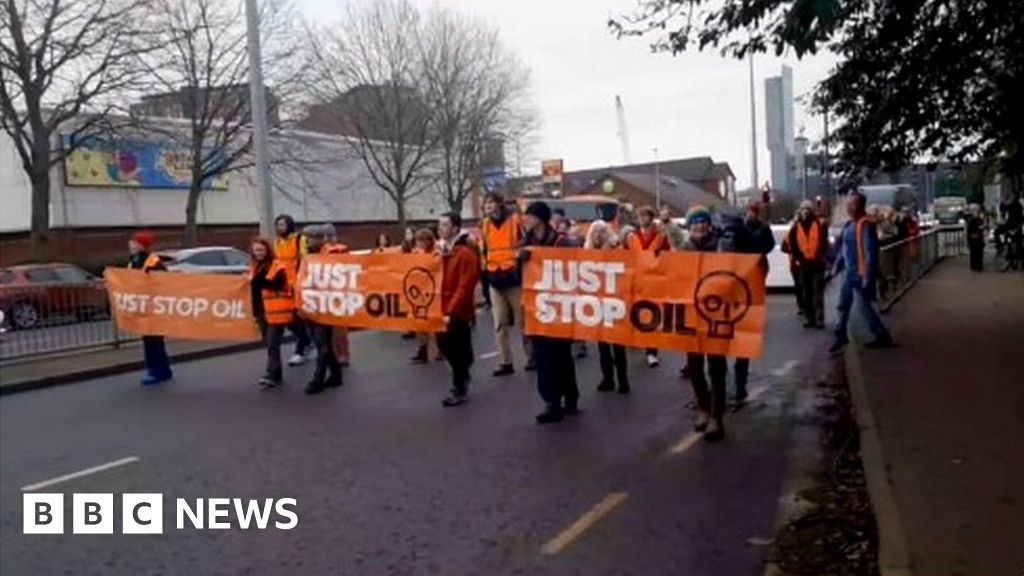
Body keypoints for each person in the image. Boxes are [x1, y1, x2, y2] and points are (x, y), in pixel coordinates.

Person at [520, 201, 579, 424]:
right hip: (538, 307)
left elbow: (572, 270)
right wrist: (521, 261)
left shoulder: (560, 241)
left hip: (559, 305)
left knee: (561, 354)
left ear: (540, 218)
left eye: (529, 215)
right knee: (543, 355)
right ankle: (551, 401)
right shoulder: (526, 243)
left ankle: (570, 395)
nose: (525, 219)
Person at [681, 207, 728, 441]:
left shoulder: (721, 246)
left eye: (702, 222)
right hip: (692, 317)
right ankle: (703, 407)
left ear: (708, 225)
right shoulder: (683, 249)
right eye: (694, 223)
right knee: (695, 368)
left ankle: (717, 417)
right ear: (689, 227)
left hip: (716, 317)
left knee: (717, 368)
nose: (699, 226)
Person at [830, 191, 896, 354]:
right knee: (843, 305)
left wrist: (868, 275)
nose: (849, 207)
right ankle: (841, 335)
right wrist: (836, 267)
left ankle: (881, 336)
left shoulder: (865, 225)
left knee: (863, 307)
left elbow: (870, 252)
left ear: (860, 206)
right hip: (849, 273)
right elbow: (844, 250)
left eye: (853, 204)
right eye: (849, 204)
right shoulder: (849, 226)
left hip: (859, 273)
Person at [481, 192, 531, 376]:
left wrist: (520, 253)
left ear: (499, 204)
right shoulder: (485, 225)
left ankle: (530, 356)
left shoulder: (514, 221)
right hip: (494, 277)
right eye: (486, 203)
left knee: (522, 321)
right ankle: (505, 362)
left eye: (491, 203)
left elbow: (526, 242)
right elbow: (485, 250)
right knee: (499, 323)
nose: (488, 206)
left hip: (513, 277)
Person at [731, 201, 775, 403]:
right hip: (741, 272)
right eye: (748, 212)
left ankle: (740, 386)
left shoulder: (763, 228)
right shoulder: (740, 228)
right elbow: (736, 244)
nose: (750, 215)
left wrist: (761, 254)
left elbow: (770, 243)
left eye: (753, 212)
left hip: (757, 268)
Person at [436, 212, 480, 407]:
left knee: (455, 348)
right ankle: (463, 373)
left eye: (444, 225)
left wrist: (451, 310)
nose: (440, 228)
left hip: (457, 310)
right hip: (441, 307)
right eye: (439, 225)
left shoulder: (464, 253)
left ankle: (459, 387)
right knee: (445, 346)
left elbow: (466, 284)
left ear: (455, 228)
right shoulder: (441, 251)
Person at [585, 220, 630, 394]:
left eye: (602, 231)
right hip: (597, 303)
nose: (599, 235)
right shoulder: (587, 253)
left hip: (614, 302)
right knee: (602, 345)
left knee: (618, 345)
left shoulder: (616, 250)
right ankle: (608, 378)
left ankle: (623, 379)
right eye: (596, 232)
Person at [624, 205, 670, 368]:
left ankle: (652, 352)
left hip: (653, 282)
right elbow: (625, 258)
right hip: (636, 281)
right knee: (636, 314)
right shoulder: (631, 238)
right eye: (640, 216)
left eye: (645, 216)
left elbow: (667, 258)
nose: (642, 219)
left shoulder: (661, 237)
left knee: (652, 316)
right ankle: (638, 340)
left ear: (651, 218)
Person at [302, 224, 346, 394]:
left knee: (322, 344)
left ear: (320, 239)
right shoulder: (307, 256)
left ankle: (317, 379)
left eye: (310, 238)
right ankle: (336, 375)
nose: (307, 242)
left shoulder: (330, 255)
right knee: (322, 342)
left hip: (325, 304)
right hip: (310, 304)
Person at [128, 231, 173, 386]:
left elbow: (162, 280)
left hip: (153, 306)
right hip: (143, 305)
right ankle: (160, 369)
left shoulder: (152, 261)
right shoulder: (134, 260)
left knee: (154, 340)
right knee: (150, 340)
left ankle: (158, 370)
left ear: (142, 245)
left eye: (134, 242)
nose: (130, 245)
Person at [249, 238, 293, 389]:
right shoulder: (254, 266)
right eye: (256, 250)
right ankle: (276, 373)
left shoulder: (276, 265)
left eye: (261, 250)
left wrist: (256, 282)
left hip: (276, 312)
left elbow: (278, 284)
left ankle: (272, 374)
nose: (258, 253)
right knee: (269, 343)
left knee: (273, 343)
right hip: (262, 310)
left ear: (267, 250)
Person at [273, 214, 312, 367]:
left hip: (297, 283)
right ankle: (306, 341)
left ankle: (300, 350)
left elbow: (305, 259)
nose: (279, 228)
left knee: (297, 317)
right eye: (278, 225)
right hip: (284, 285)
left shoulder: (298, 239)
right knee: (289, 318)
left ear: (289, 225)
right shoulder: (277, 242)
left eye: (282, 225)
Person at [787, 200, 829, 328]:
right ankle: (810, 318)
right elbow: (792, 245)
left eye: (808, 208)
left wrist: (821, 256)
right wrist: (798, 259)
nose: (805, 211)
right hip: (804, 265)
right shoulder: (795, 227)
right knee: (807, 293)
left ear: (811, 210)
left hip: (817, 264)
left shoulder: (819, 224)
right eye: (803, 208)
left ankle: (819, 319)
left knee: (817, 292)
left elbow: (824, 243)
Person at [411, 228, 442, 364]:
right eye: (417, 241)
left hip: (433, 291)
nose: (418, 244)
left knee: (434, 323)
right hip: (419, 290)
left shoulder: (436, 252)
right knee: (420, 323)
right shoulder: (415, 253)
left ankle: (440, 350)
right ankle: (422, 350)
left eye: (421, 241)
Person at [966, 204, 986, 272]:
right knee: (976, 253)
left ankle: (977, 266)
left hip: (976, 238)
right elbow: (972, 228)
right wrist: (981, 227)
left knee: (976, 253)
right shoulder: (972, 219)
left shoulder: (975, 219)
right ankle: (976, 266)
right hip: (975, 237)